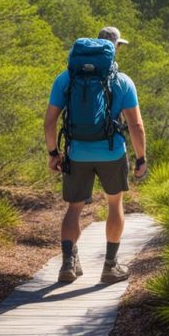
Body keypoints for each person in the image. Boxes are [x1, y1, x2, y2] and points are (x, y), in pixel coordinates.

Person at [43, 26, 148, 284]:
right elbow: (136, 126)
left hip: (77, 152)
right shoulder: (123, 81)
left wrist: (54, 153)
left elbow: (49, 122)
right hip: (112, 153)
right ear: (115, 48)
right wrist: (141, 158)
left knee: (74, 208)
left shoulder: (66, 78)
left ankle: (68, 263)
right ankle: (110, 267)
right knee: (115, 204)